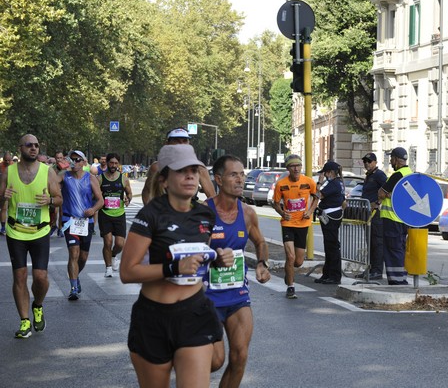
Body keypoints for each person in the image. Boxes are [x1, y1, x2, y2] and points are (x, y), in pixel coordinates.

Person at [120, 144, 233, 388]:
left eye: (194, 170)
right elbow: (127, 272)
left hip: (193, 313)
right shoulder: (150, 215)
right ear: (164, 180)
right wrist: (172, 268)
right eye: (182, 171)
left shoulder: (205, 216)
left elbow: (198, 261)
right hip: (153, 317)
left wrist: (217, 258)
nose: (191, 176)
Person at [204, 155, 271, 388]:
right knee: (214, 361)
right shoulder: (204, 212)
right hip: (206, 298)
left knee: (239, 356)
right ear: (219, 179)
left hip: (237, 296)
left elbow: (261, 243)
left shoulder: (248, 213)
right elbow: (191, 253)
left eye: (242, 174)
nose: (240, 179)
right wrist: (213, 257)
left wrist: (262, 263)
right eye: (234, 174)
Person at [0, 134, 63, 338]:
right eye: (29, 145)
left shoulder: (48, 172)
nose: (34, 148)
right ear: (21, 148)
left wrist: (50, 201)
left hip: (40, 230)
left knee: (40, 277)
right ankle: (25, 321)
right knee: (20, 276)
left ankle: (38, 305)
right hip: (16, 231)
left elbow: (59, 198)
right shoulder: (8, 172)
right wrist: (3, 197)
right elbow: (0, 197)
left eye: (36, 145)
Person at [57, 150, 104, 300]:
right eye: (72, 159)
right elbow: (50, 184)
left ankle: (75, 276)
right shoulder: (64, 176)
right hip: (69, 220)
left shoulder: (90, 178)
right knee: (74, 253)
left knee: (83, 257)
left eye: (78, 160)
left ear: (84, 162)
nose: (74, 162)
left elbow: (100, 201)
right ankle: (73, 288)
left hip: (86, 222)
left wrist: (93, 209)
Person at [271, 154, 318, 299]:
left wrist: (310, 211)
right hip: (288, 223)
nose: (296, 168)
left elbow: (317, 197)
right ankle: (291, 287)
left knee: (298, 261)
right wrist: (282, 213)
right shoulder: (281, 184)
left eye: (298, 165)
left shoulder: (309, 182)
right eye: (293, 166)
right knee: (290, 257)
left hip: (303, 224)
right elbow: (276, 203)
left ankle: (288, 272)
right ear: (288, 168)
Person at [142, 127, 216, 205]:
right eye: (176, 141)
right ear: (167, 144)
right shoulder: (157, 167)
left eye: (184, 141)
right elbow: (147, 192)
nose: (181, 144)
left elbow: (212, 197)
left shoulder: (199, 168)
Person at [378, 147, 413, 285]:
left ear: (397, 160)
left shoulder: (397, 175)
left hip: (392, 219)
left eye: (391, 158)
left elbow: (381, 193)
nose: (390, 161)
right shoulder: (409, 173)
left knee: (393, 251)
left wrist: (387, 194)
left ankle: (397, 280)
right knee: (399, 249)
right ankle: (400, 277)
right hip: (403, 219)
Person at [98, 153, 132, 277]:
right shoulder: (100, 179)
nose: (113, 165)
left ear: (118, 164)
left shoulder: (124, 178)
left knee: (119, 244)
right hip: (105, 214)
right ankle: (108, 268)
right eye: (111, 163)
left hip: (119, 214)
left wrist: (128, 199)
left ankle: (113, 256)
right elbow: (94, 196)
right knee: (107, 242)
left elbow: (129, 194)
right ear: (107, 163)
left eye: (116, 163)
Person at [314, 161, 345, 284]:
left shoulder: (334, 184)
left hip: (331, 216)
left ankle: (334, 276)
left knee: (332, 246)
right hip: (330, 215)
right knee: (328, 245)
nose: (324, 175)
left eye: (325, 173)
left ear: (330, 172)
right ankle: (327, 273)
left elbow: (318, 195)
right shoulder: (337, 183)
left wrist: (319, 183)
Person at [358, 152, 387, 280]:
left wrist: (378, 203)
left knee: (376, 242)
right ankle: (370, 269)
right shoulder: (369, 176)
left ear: (375, 162)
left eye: (369, 161)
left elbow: (387, 190)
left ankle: (377, 270)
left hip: (376, 213)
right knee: (370, 242)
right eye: (365, 161)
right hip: (367, 212)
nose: (366, 164)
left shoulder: (379, 175)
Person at [0, 150, 14, 235]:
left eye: (9, 160)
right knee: (3, 209)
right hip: (1, 190)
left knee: (5, 208)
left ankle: (3, 227)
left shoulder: (14, 166)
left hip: (10, 190)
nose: (7, 162)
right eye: (6, 160)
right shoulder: (0, 166)